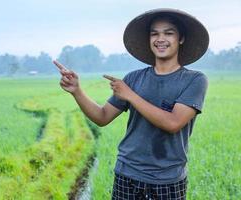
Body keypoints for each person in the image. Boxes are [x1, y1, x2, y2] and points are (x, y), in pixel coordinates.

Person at [54, 8, 209, 200]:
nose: (160, 39)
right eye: (155, 34)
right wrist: (77, 91)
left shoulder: (194, 80)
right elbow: (102, 117)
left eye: (168, 33)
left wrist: (131, 96)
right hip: (127, 174)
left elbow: (173, 123)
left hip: (167, 180)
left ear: (181, 38)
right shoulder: (134, 79)